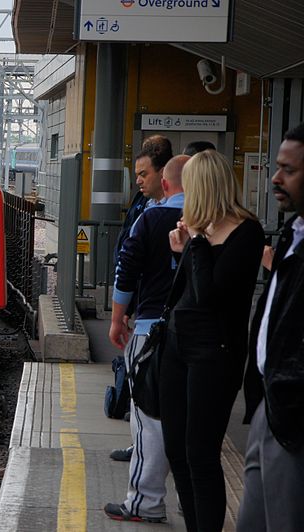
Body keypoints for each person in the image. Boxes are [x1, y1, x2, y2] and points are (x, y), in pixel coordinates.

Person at [159, 150, 263, 531]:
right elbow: (185, 291)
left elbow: (210, 295)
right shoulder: (198, 230)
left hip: (213, 355)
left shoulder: (246, 232)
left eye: (190, 187)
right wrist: (181, 251)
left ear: (204, 188)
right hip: (176, 348)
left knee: (200, 454)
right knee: (177, 452)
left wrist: (196, 243)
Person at [103, 152, 187, 523]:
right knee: (188, 417)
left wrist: (117, 319)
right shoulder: (219, 222)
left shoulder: (151, 217)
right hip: (199, 337)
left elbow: (126, 269)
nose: (139, 180)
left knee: (148, 416)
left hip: (151, 329)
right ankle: (192, 497)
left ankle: (145, 502)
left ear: (166, 183)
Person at [237, 123, 304, 531]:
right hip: (270, 402)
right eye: (276, 167)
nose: (276, 179)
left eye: (289, 170)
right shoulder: (292, 235)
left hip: (293, 415)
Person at [109, 135, 173, 463]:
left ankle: (146, 486)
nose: (138, 180)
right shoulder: (143, 204)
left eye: (143, 174)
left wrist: (117, 315)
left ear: (163, 175)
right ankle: (144, 449)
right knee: (149, 398)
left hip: (157, 319)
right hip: (147, 310)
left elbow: (129, 262)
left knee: (149, 398)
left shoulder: (161, 215)